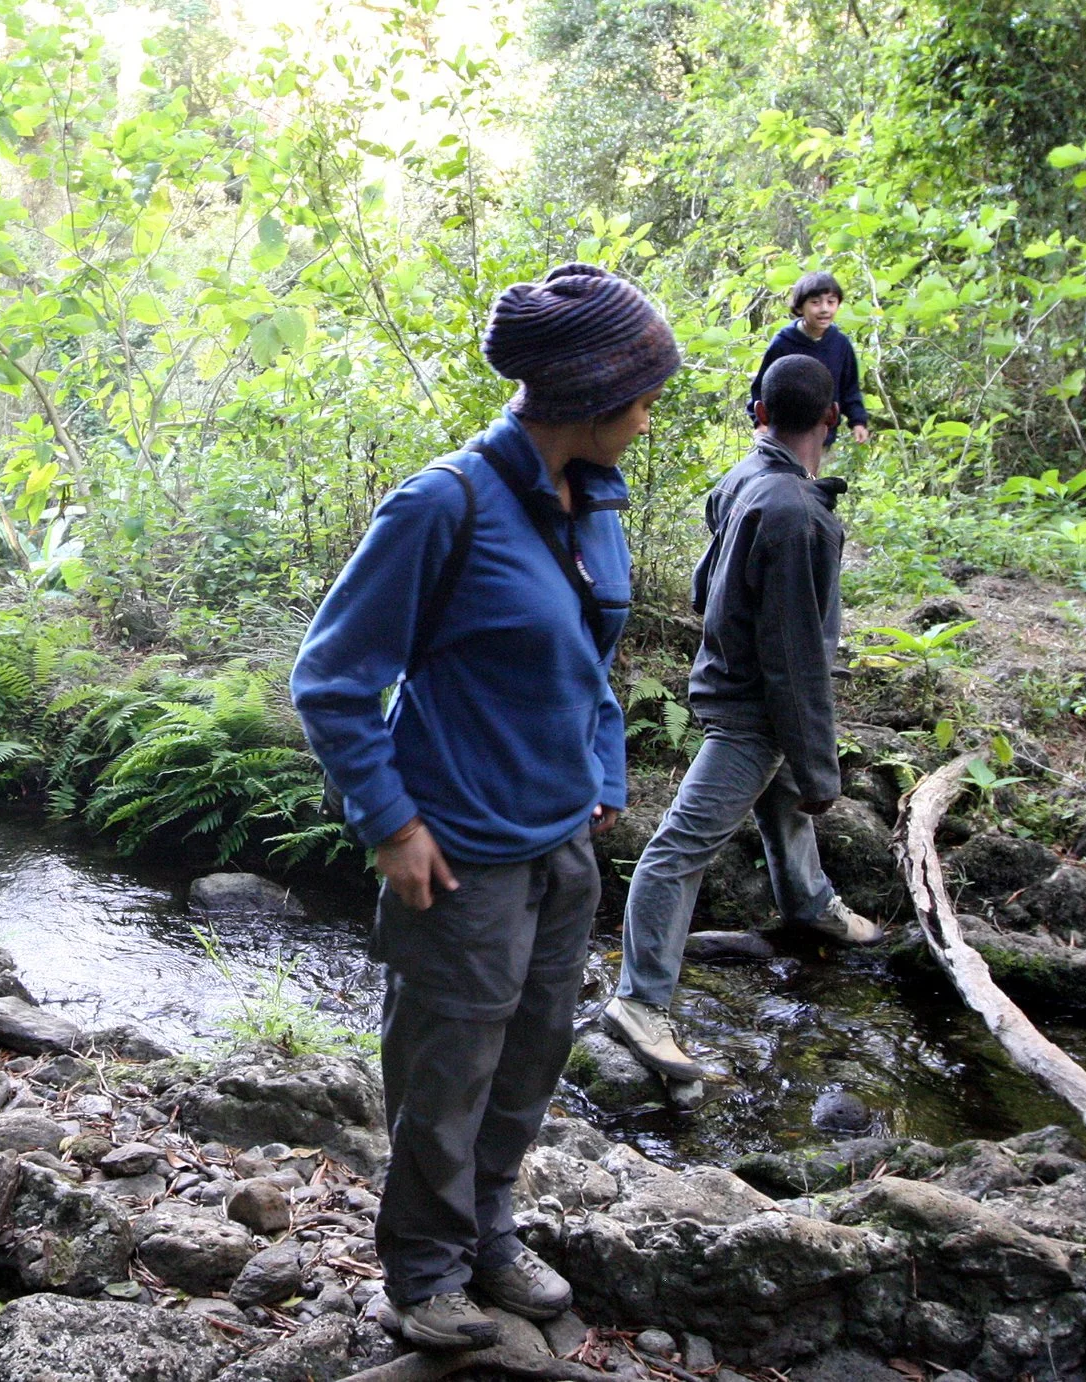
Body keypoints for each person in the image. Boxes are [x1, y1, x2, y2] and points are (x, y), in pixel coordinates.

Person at [292, 262, 676, 1352]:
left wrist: (603, 772)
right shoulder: (441, 504)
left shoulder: (593, 500)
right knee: (444, 1074)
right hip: (457, 857)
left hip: (562, 845)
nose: (650, 418)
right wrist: (389, 824)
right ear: (586, 399)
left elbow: (594, 657)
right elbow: (330, 678)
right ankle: (421, 1272)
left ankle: (491, 1234)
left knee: (531, 1058)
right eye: (642, 399)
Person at [601, 353, 883, 1088]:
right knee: (679, 846)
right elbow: (794, 659)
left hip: (733, 682)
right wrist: (823, 767)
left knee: (784, 807)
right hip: (755, 708)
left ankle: (810, 904)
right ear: (830, 419)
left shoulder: (743, 481)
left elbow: (706, 587)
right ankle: (638, 1000)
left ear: (760, 414)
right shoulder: (796, 515)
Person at [746, 271, 870, 447]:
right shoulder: (783, 343)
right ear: (799, 307)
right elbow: (762, 387)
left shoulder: (840, 345)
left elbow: (850, 389)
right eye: (815, 302)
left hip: (821, 438)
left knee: (813, 475)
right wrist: (760, 422)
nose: (824, 309)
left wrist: (858, 421)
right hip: (783, 437)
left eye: (831, 302)